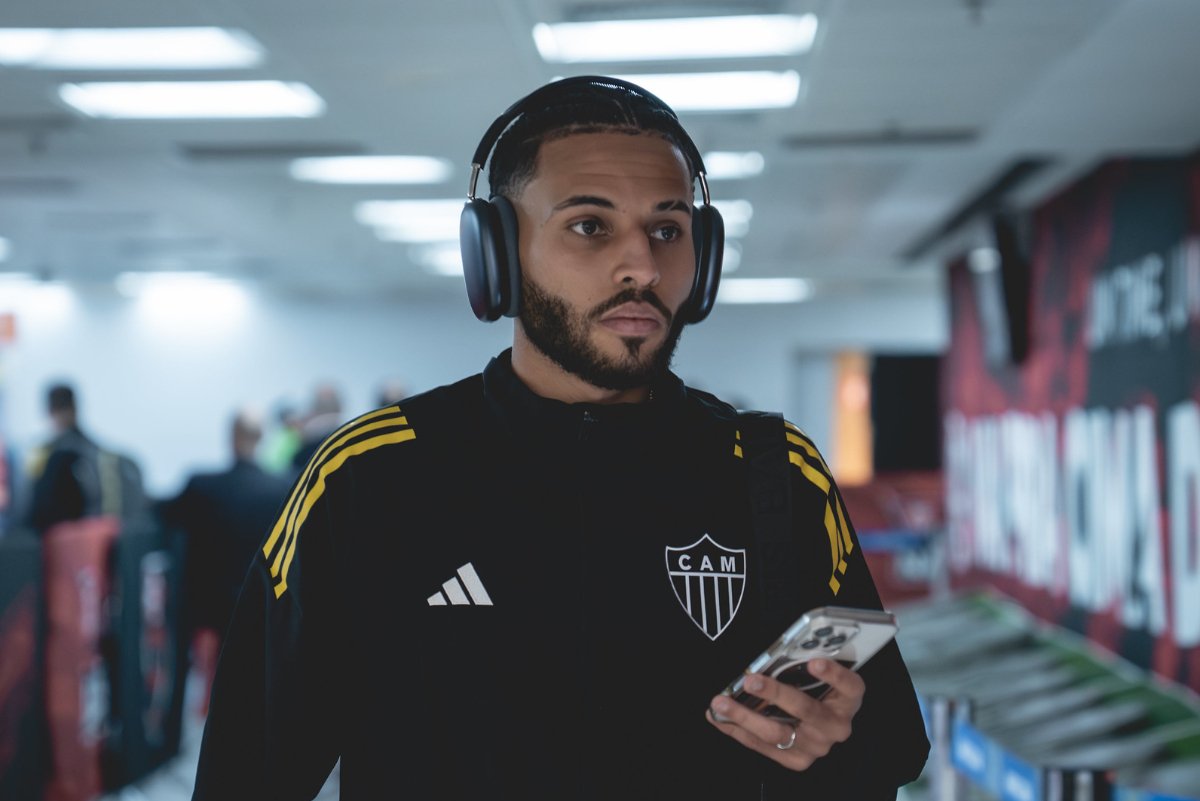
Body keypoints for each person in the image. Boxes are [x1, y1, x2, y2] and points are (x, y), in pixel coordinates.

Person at [192, 76, 930, 799]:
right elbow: (245, 774)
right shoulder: (371, 478)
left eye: (668, 230)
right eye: (590, 225)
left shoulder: (774, 474)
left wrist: (834, 751)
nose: (642, 265)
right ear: (498, 253)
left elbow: (886, 746)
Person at [163, 407, 292, 713]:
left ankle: (179, 723)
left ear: (231, 437)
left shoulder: (201, 485)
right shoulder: (283, 487)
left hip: (205, 605)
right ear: (261, 438)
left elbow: (165, 518)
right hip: (262, 604)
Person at [25, 382, 146, 534]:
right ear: (76, 407)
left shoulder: (45, 454)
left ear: (49, 411)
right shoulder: (102, 455)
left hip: (64, 534)